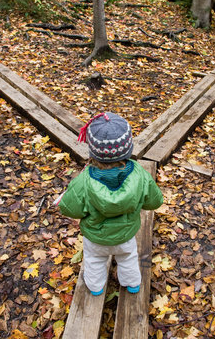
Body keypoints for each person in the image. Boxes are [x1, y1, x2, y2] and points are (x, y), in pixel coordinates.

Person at [57, 112, 163, 295]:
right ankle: (132, 284)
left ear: (93, 150)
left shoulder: (84, 181)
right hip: (125, 235)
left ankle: (96, 287)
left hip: (96, 238)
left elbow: (68, 208)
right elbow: (155, 201)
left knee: (94, 260)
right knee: (128, 257)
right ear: (127, 147)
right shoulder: (140, 175)